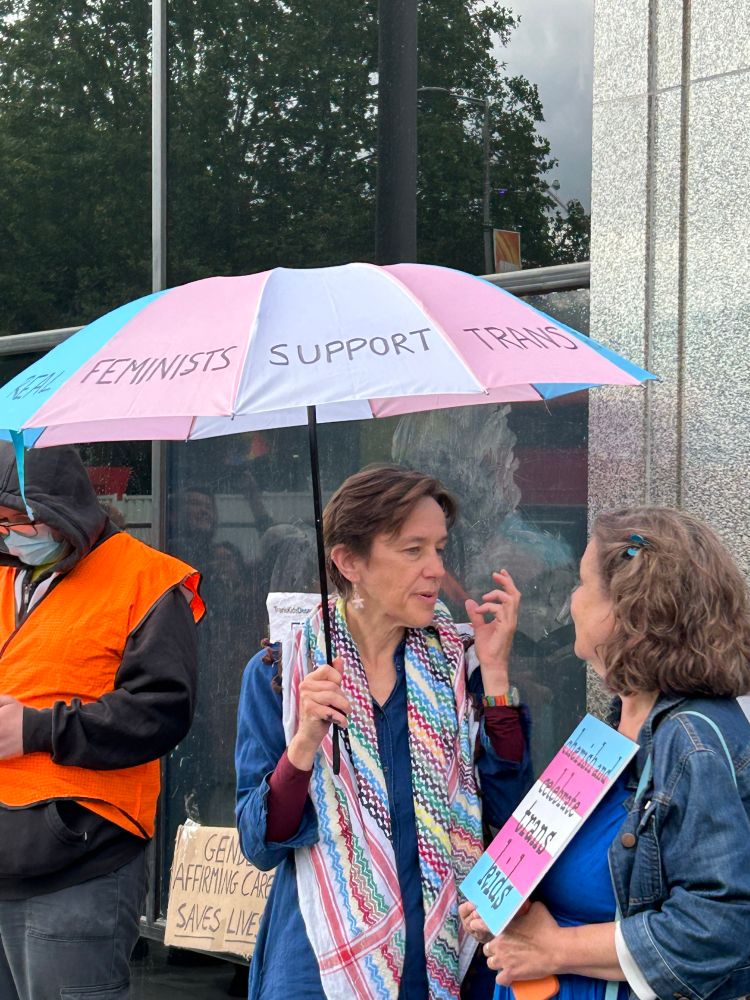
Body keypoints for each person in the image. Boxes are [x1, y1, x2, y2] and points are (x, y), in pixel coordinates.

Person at [235, 464, 534, 1000]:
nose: (436, 570)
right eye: (412, 550)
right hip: (320, 962)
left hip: (445, 953)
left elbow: (507, 815)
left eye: (440, 549)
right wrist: (304, 743)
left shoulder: (457, 664)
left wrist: (496, 678)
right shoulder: (280, 674)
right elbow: (261, 844)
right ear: (350, 561)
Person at [461, 506, 750, 1000]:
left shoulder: (692, 738)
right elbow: (543, 844)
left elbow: (720, 926)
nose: (571, 600)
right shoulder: (623, 720)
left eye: (581, 582)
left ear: (627, 608)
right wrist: (507, 900)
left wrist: (555, 949)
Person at [0, 444, 205, 1000]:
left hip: (81, 860)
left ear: (59, 511)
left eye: (19, 523)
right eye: (1, 524)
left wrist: (36, 729)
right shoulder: (9, 574)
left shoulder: (147, 580)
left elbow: (162, 710)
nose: (9, 536)